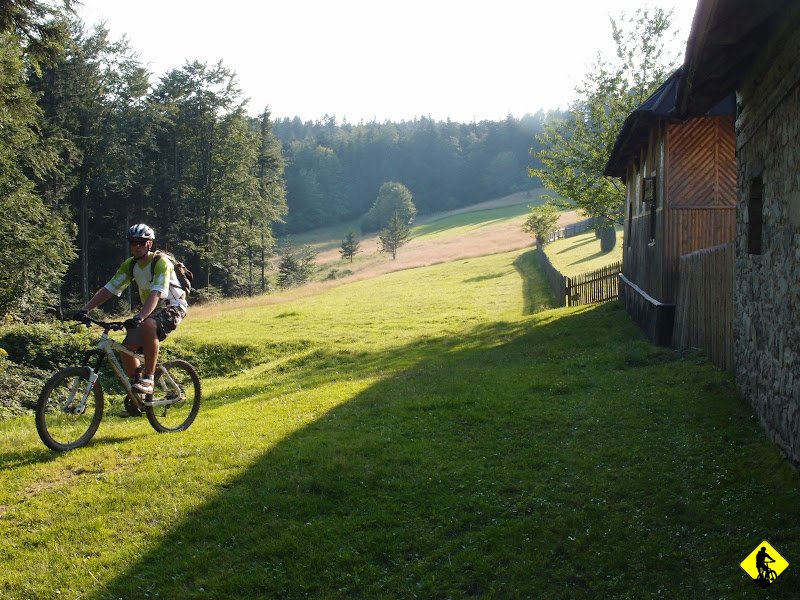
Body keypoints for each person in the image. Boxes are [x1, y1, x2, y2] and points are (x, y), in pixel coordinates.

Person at [76, 224, 188, 411]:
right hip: (152, 310)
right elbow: (109, 289)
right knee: (126, 349)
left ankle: (149, 379)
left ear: (149, 244)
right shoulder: (131, 265)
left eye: (141, 242)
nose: (136, 246)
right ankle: (139, 395)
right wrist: (85, 309)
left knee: (149, 325)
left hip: (173, 306)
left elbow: (157, 293)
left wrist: (140, 316)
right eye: (133, 242)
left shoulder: (161, 262)